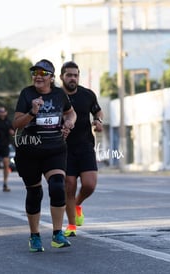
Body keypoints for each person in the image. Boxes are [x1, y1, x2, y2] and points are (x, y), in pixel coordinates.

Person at [12, 59, 77, 252]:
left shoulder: (59, 94)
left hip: (55, 149)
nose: (38, 76)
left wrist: (69, 123)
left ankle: (57, 234)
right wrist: (32, 112)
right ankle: (35, 236)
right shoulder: (26, 94)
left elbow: (71, 113)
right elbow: (16, 124)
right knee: (35, 193)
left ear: (51, 77)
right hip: (29, 152)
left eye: (43, 73)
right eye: (35, 73)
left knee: (57, 186)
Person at [59, 61, 103, 237]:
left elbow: (98, 112)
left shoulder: (87, 95)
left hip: (85, 145)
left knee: (90, 185)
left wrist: (98, 121)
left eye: (75, 75)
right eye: (69, 75)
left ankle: (77, 204)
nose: (72, 78)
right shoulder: (55, 96)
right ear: (62, 77)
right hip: (64, 148)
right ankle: (71, 226)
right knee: (68, 186)